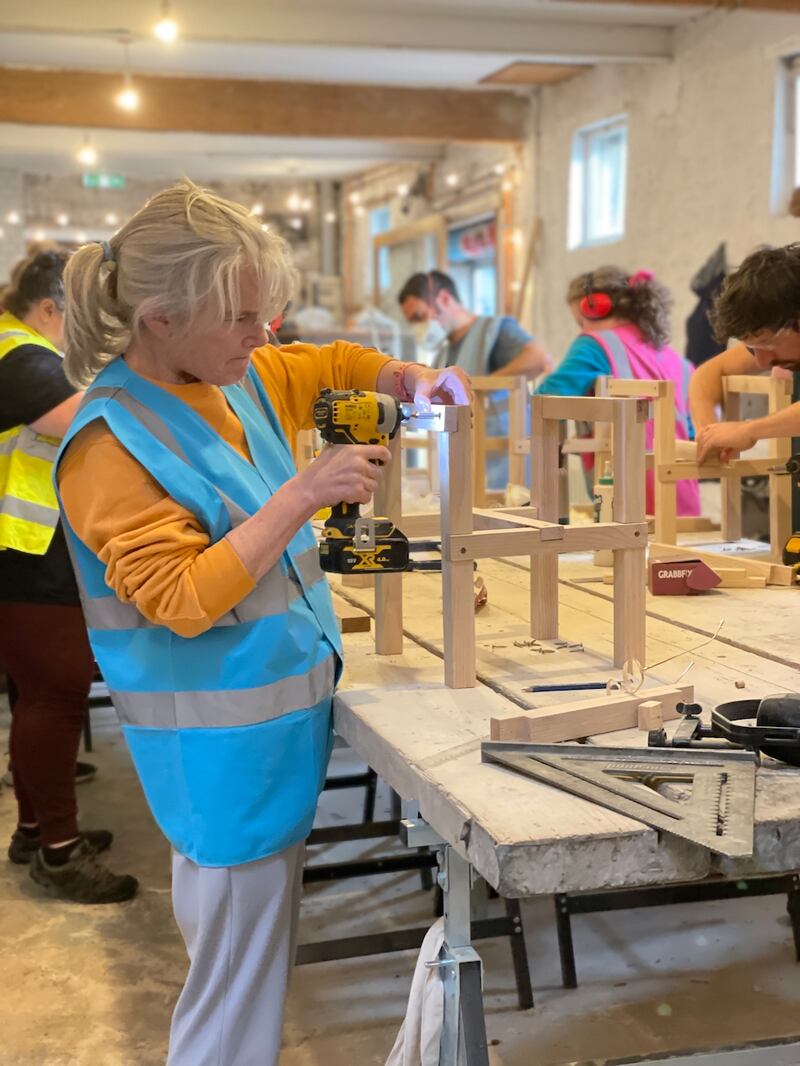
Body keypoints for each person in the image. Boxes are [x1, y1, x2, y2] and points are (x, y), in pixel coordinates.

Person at [56, 179, 472, 1066]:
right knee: (233, 998)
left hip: (269, 736)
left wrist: (406, 377)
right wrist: (306, 493)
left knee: (246, 970)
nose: (264, 334)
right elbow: (179, 596)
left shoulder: (232, 377)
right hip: (220, 757)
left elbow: (327, 366)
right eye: (243, 316)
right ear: (160, 320)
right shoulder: (108, 444)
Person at [0, 248, 138, 903]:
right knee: (54, 700)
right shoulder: (20, 358)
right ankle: (58, 851)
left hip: (26, 557)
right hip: (25, 559)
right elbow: (91, 421)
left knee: (37, 699)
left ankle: (35, 830)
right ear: (53, 305)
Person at [535, 266, 700, 518]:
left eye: (580, 322)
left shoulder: (594, 344)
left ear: (595, 307)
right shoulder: (675, 359)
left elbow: (546, 400)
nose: (581, 330)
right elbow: (690, 432)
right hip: (684, 504)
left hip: (629, 500)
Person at [692, 245, 800, 462]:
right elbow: (709, 373)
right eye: (752, 348)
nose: (762, 361)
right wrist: (710, 432)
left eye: (767, 345)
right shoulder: (776, 332)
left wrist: (750, 430)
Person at [397, 269, 549, 377]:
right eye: (412, 322)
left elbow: (539, 357)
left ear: (444, 299)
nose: (418, 328)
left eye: (419, 317)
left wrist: (484, 388)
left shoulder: (493, 331)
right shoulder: (443, 355)